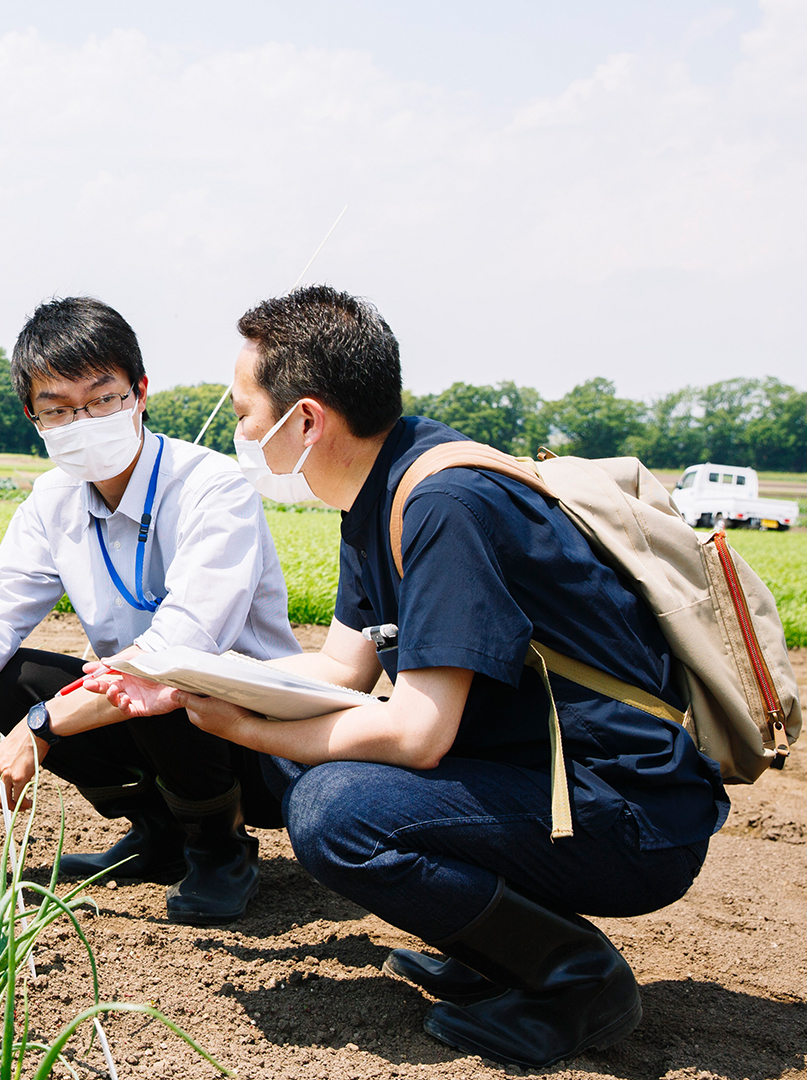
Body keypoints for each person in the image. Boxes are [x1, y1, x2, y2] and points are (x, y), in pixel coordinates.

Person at [90, 285, 727, 1067]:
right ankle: (499, 952)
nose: (243, 434)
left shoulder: (443, 504)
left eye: (246, 413)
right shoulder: (380, 489)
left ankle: (573, 979)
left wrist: (247, 727)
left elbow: (418, 734)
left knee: (336, 807)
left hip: (629, 815)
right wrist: (185, 677)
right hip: (549, 782)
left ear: (308, 420)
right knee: (304, 755)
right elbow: (339, 668)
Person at [0, 296, 297, 925]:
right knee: (13, 682)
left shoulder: (213, 488)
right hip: (143, 696)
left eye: (102, 398)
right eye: (59, 410)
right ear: (33, 418)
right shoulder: (53, 499)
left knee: (154, 680)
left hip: (255, 741)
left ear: (140, 392)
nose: (85, 419)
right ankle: (158, 835)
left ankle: (218, 846)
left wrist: (43, 725)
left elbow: (180, 649)